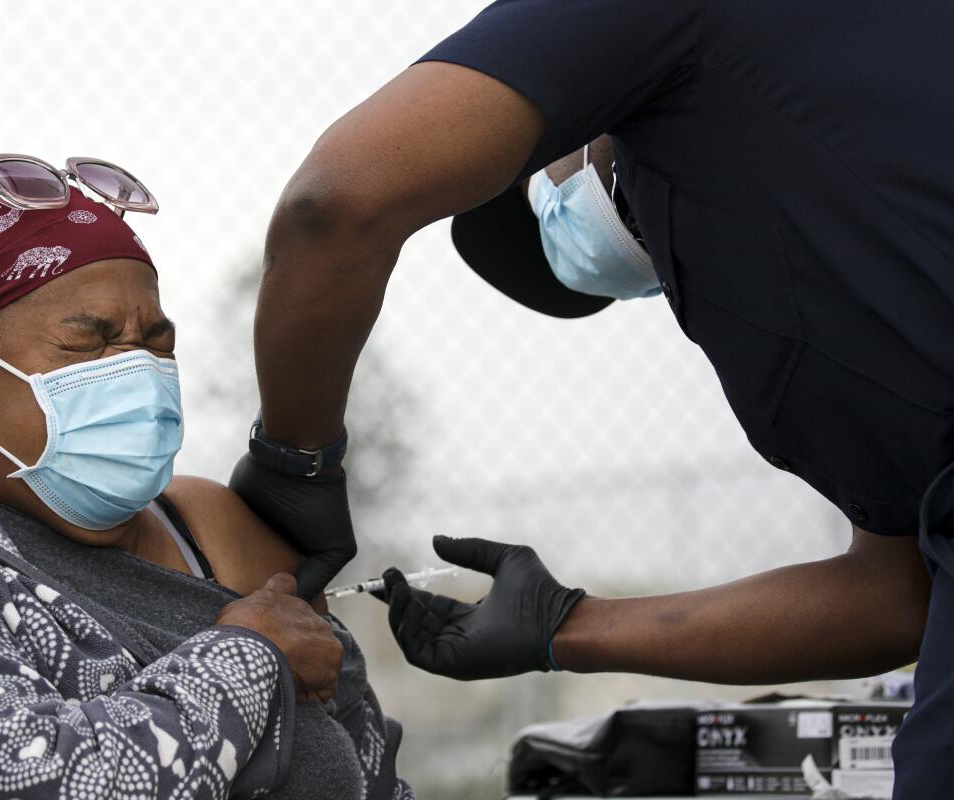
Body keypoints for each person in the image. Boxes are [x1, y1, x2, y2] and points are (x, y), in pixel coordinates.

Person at [227, 2, 954, 795]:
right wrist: (566, 626)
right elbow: (900, 592)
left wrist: (293, 464)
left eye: (535, 171)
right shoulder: (839, 260)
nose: (551, 205)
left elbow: (334, 202)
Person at [0, 155, 413, 799]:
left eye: (157, 343)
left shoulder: (208, 529)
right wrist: (245, 659)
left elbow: (366, 767)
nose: (137, 373)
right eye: (89, 341)